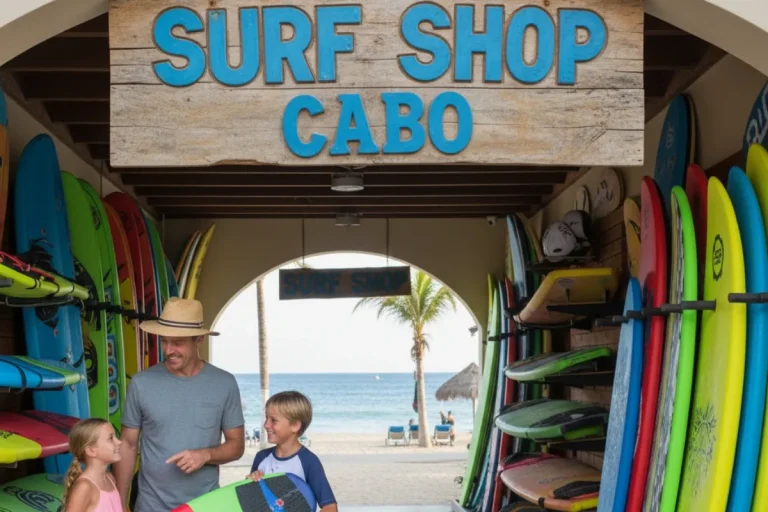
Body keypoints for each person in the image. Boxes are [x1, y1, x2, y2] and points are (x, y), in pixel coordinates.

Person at [113, 298, 245, 511]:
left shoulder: (224, 383)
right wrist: (117, 503)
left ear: (198, 340)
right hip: (150, 505)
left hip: (205, 506)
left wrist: (205, 455)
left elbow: (236, 446)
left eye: (178, 343)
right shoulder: (141, 383)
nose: (168, 350)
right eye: (164, 341)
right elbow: (128, 445)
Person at [247, 391, 337, 511]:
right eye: (266, 418)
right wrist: (249, 483)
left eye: (273, 420)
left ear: (295, 425)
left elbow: (330, 507)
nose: (266, 425)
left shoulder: (308, 461)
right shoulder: (261, 457)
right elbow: (252, 502)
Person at [61, 418, 123, 512]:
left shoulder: (109, 478)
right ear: (91, 450)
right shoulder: (84, 487)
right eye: (110, 439)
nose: (119, 442)